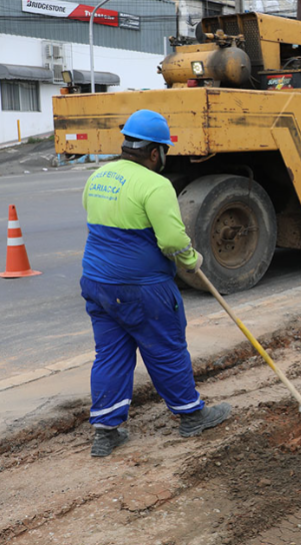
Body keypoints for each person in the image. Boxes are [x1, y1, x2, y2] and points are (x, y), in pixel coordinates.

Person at [80, 109, 231, 457]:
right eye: (163, 150)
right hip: (142, 288)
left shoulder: (98, 176)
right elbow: (172, 241)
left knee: (110, 354)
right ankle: (192, 416)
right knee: (165, 348)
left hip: (97, 284)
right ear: (154, 152)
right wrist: (193, 261)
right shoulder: (155, 185)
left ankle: (106, 432)